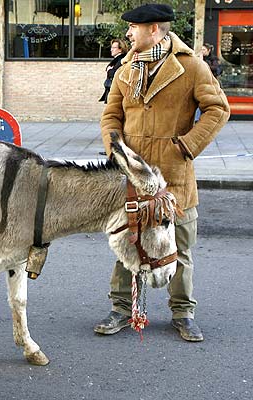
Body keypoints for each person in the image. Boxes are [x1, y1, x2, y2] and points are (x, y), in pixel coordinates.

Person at [96, 4, 230, 342]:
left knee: (179, 247)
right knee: (127, 243)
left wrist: (187, 146)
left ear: (153, 29)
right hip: (133, 176)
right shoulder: (126, 69)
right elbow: (111, 115)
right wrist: (117, 152)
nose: (128, 34)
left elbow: (219, 108)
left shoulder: (191, 67)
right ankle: (121, 308)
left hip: (174, 176)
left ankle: (183, 312)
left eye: (133, 28)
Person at [99, 39, 128, 103]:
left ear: (120, 49)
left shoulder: (121, 60)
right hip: (114, 91)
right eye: (111, 47)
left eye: (114, 47)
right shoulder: (117, 60)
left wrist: (109, 70)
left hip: (117, 92)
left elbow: (117, 74)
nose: (111, 49)